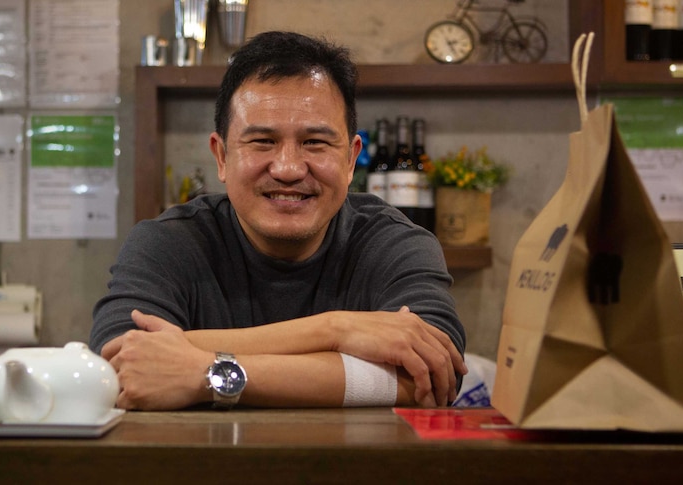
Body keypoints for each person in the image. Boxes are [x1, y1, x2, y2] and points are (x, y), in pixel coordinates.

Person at [90, 31, 467, 411]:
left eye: (315, 142)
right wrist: (336, 329)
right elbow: (121, 366)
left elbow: (432, 378)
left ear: (351, 160)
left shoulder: (394, 243)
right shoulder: (167, 243)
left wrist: (202, 373)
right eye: (262, 141)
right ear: (221, 157)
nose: (288, 169)